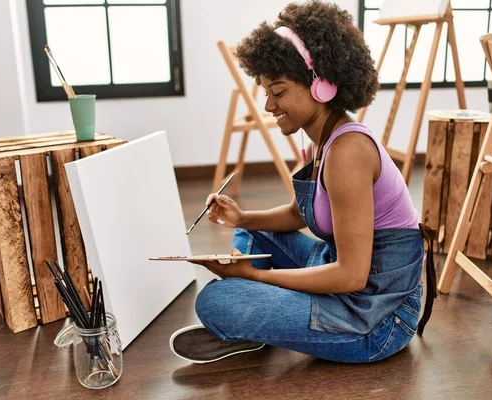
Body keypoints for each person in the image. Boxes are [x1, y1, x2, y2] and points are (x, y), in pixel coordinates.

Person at [170, 0, 436, 364]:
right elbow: (299, 214)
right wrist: (243, 218)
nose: (268, 106)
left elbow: (352, 276)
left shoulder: (348, 151)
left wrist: (256, 279)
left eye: (277, 92)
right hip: (340, 273)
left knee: (215, 300)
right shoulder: (319, 138)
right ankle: (264, 319)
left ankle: (255, 316)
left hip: (374, 318)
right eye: (265, 92)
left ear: (321, 84)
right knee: (257, 237)